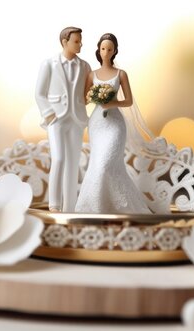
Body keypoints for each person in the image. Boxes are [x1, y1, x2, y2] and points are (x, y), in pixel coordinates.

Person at [75, 33, 152, 214]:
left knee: (107, 164)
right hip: (97, 124)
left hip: (115, 124)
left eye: (110, 49)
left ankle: (118, 206)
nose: (106, 52)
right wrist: (94, 97)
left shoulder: (121, 74)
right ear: (98, 50)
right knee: (97, 164)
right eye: (103, 48)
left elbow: (129, 101)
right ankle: (96, 206)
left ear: (115, 51)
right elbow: (83, 99)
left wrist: (112, 102)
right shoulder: (92, 74)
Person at [35, 27, 91, 212]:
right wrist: (49, 113)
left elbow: (86, 92)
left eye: (80, 41)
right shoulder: (49, 64)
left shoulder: (84, 66)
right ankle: (54, 205)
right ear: (65, 42)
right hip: (56, 118)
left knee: (73, 162)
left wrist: (94, 97)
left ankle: (70, 207)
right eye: (76, 41)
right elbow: (39, 93)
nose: (80, 44)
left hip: (76, 118)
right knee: (58, 158)